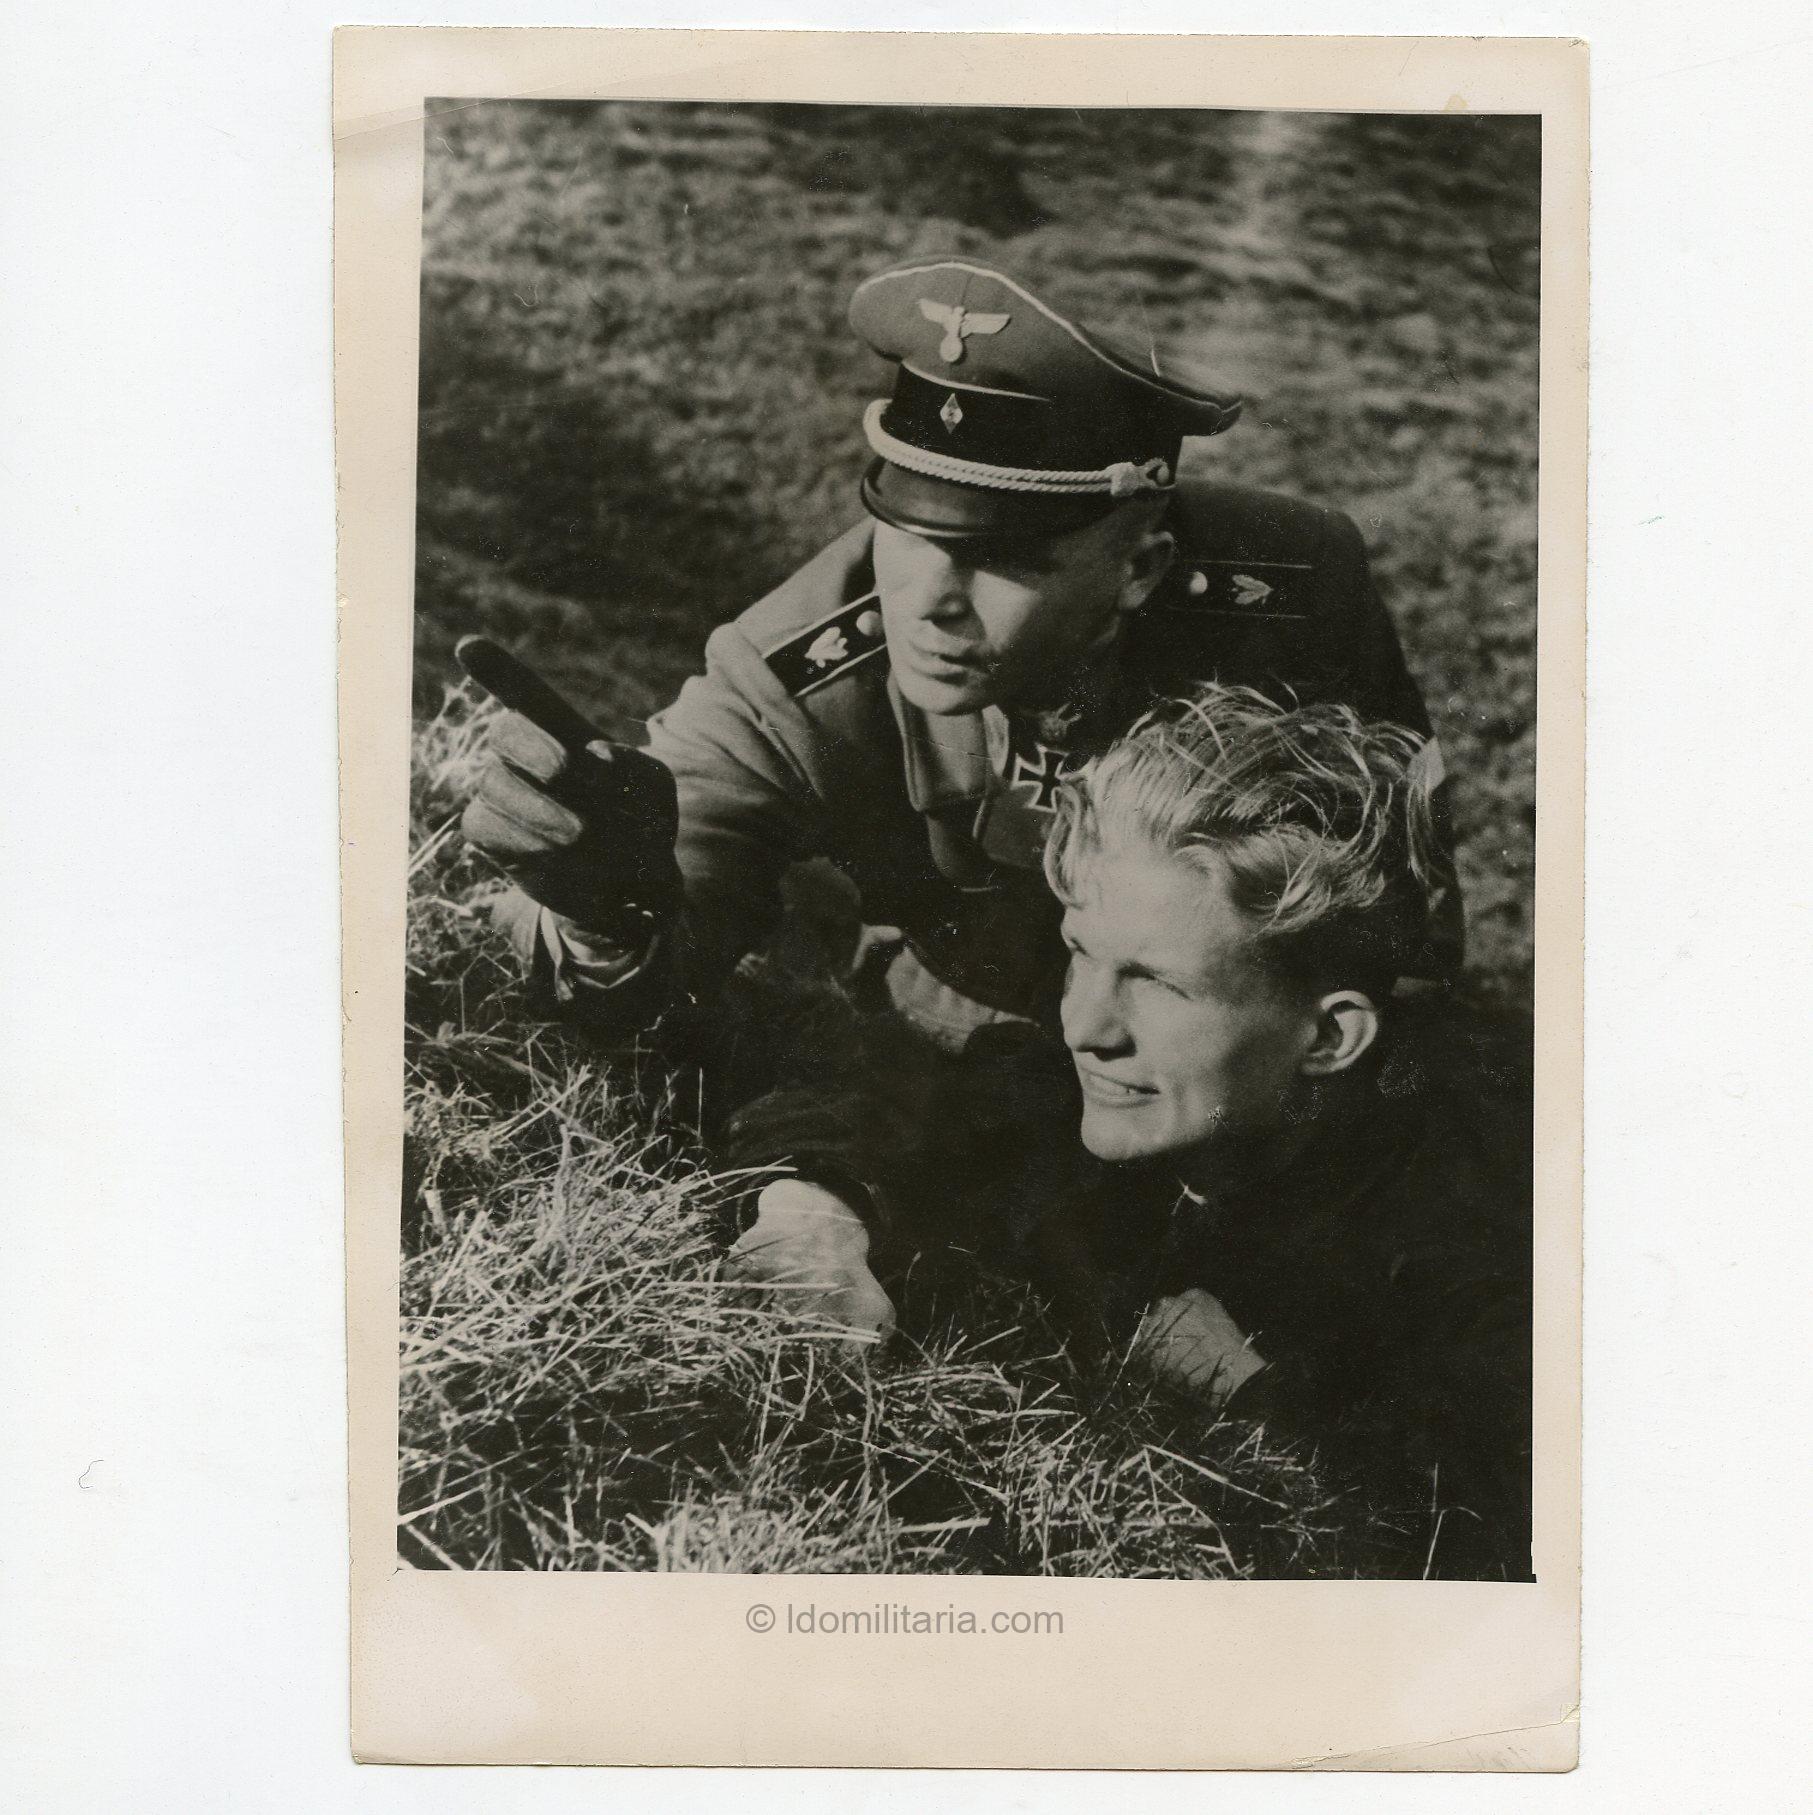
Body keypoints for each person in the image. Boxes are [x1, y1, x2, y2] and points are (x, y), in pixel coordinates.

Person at [460, 255, 1461, 1332]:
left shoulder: (1291, 591)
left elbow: (1395, 922)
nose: (930, 602)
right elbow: (674, 950)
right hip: (962, 1021)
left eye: (1004, 557)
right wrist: (608, 909)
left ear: (1138, 566)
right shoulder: (791, 676)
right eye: (908, 530)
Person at [1024, 682, 1532, 1579]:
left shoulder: (1469, 1225)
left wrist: (1254, 1397)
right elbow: (900, 1091)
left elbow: (1490, 1532)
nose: (1085, 1025)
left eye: (1158, 984)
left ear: (1330, 1037)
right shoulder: (1153, 1075)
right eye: (1079, 953)